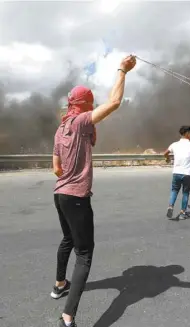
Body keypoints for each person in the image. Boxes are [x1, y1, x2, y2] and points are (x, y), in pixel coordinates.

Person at [51, 55, 137, 327]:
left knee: (67, 240)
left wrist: (70, 174)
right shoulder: (81, 122)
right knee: (85, 255)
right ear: (85, 104)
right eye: (90, 102)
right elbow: (113, 103)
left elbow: (56, 168)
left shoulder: (61, 127)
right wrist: (122, 70)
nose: (92, 105)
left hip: (60, 193)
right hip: (76, 197)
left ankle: (59, 284)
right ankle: (67, 317)